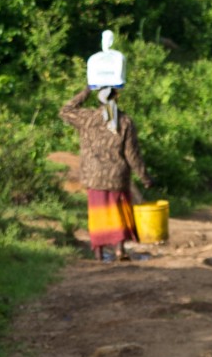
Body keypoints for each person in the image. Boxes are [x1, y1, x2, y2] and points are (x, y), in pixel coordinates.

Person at [60, 82, 152, 263]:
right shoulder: (125, 121)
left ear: (98, 97)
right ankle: (119, 250)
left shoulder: (87, 118)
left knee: (98, 215)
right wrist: (144, 176)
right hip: (117, 177)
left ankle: (99, 254)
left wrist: (86, 89)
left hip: (93, 177)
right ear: (116, 96)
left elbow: (65, 110)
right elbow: (132, 154)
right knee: (117, 212)